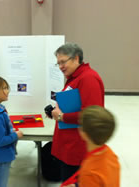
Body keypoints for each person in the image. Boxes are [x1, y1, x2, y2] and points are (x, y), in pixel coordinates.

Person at [51, 43, 105, 181]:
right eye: (58, 63)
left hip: (77, 148)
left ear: (76, 58)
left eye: (63, 62)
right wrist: (56, 113)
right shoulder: (75, 78)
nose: (61, 67)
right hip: (69, 144)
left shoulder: (88, 79)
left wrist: (62, 116)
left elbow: (91, 115)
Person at [61, 105, 120, 187]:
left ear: (84, 134)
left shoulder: (89, 171)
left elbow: (93, 178)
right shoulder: (111, 154)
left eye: (80, 125)